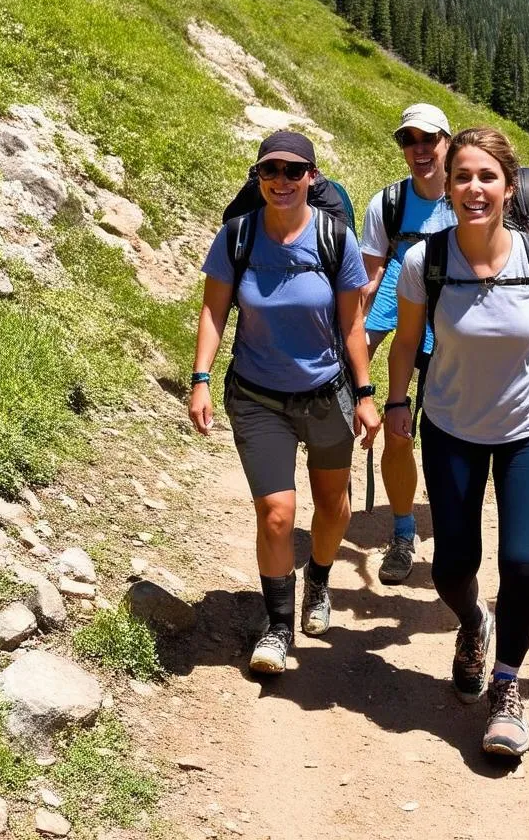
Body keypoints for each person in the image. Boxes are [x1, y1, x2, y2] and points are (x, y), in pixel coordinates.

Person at [386, 127, 529, 757]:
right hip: (451, 430)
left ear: (509, 186)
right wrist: (396, 401)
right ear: (447, 188)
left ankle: (507, 686)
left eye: (487, 177)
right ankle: (473, 622)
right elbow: (405, 342)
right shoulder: (429, 261)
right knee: (452, 567)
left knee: (524, 563)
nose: (474, 189)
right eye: (462, 178)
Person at [189, 131, 381, 676]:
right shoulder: (237, 237)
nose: (281, 181)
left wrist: (365, 394)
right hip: (256, 394)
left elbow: (352, 322)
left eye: (293, 172)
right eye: (270, 171)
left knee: (333, 507)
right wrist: (200, 378)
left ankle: (318, 577)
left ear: (311, 178)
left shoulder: (334, 239)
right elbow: (213, 312)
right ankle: (277, 627)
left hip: (327, 393)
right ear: (258, 178)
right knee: (277, 514)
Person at [361, 103, 529, 584]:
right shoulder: (388, 204)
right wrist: (359, 362)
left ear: (446, 142)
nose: (418, 149)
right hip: (423, 340)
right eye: (407, 140)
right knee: (400, 435)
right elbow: (370, 283)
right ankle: (402, 531)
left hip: (488, 350)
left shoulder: (484, 199)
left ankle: (500, 564)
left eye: (428, 139)